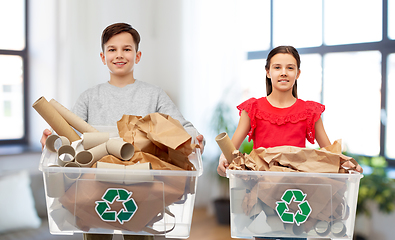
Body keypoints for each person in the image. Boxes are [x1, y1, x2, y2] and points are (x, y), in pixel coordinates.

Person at [40, 23, 205, 240]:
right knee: (96, 235)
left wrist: (195, 139)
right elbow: (68, 135)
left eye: (127, 49)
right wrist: (51, 140)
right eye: (112, 49)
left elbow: (182, 127)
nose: (119, 55)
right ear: (102, 56)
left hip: (142, 181)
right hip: (95, 182)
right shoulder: (89, 97)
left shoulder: (153, 95)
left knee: (140, 234)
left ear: (137, 56)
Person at [217, 45, 362, 240]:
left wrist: (349, 164)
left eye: (290, 68)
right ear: (268, 72)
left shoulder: (309, 111)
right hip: (262, 190)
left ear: (298, 73)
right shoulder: (253, 109)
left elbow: (329, 153)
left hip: (297, 193)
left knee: (294, 235)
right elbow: (232, 146)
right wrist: (222, 159)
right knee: (264, 234)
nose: (283, 73)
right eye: (277, 67)